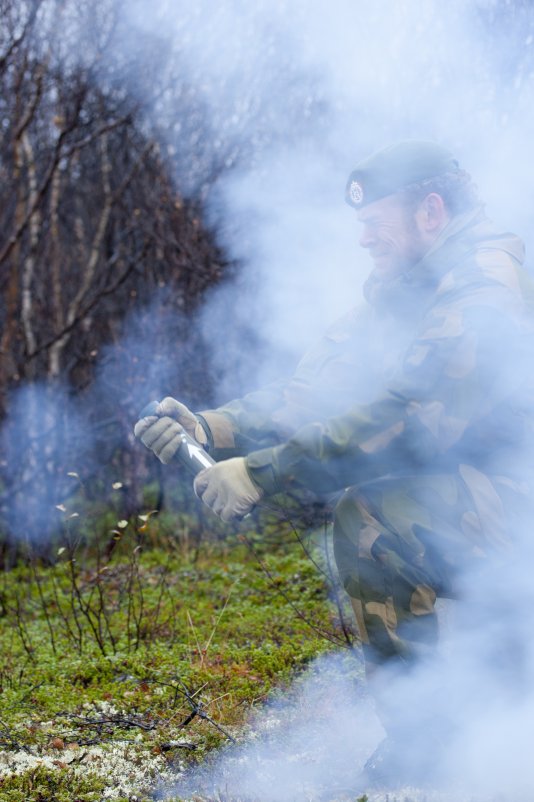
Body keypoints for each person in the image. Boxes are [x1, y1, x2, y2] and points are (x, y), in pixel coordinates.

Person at [134, 140, 534, 787]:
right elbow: (312, 397)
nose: (363, 240)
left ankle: (435, 745)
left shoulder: (485, 283)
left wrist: (260, 473)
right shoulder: (407, 292)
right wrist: (211, 426)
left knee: (373, 519)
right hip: (504, 508)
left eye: (376, 222)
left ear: (430, 210)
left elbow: (405, 418)